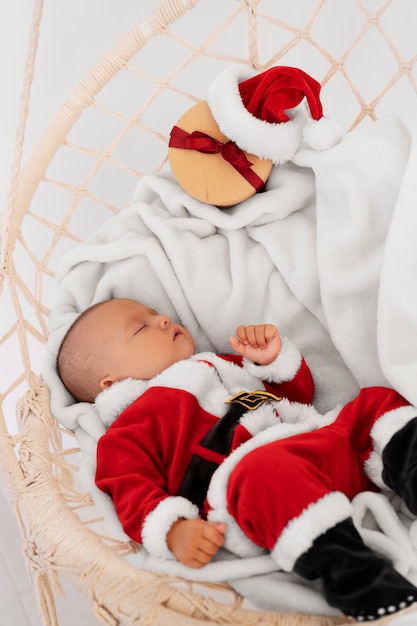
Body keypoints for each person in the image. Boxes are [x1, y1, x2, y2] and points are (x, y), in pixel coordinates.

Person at [57, 297, 417, 621]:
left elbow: (294, 402)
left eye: (156, 313)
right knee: (265, 472)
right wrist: (172, 530)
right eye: (141, 326)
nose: (163, 320)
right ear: (110, 382)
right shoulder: (131, 429)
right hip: (253, 492)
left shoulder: (220, 366)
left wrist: (271, 363)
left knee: (375, 402)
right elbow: (131, 491)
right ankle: (359, 580)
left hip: (319, 443)